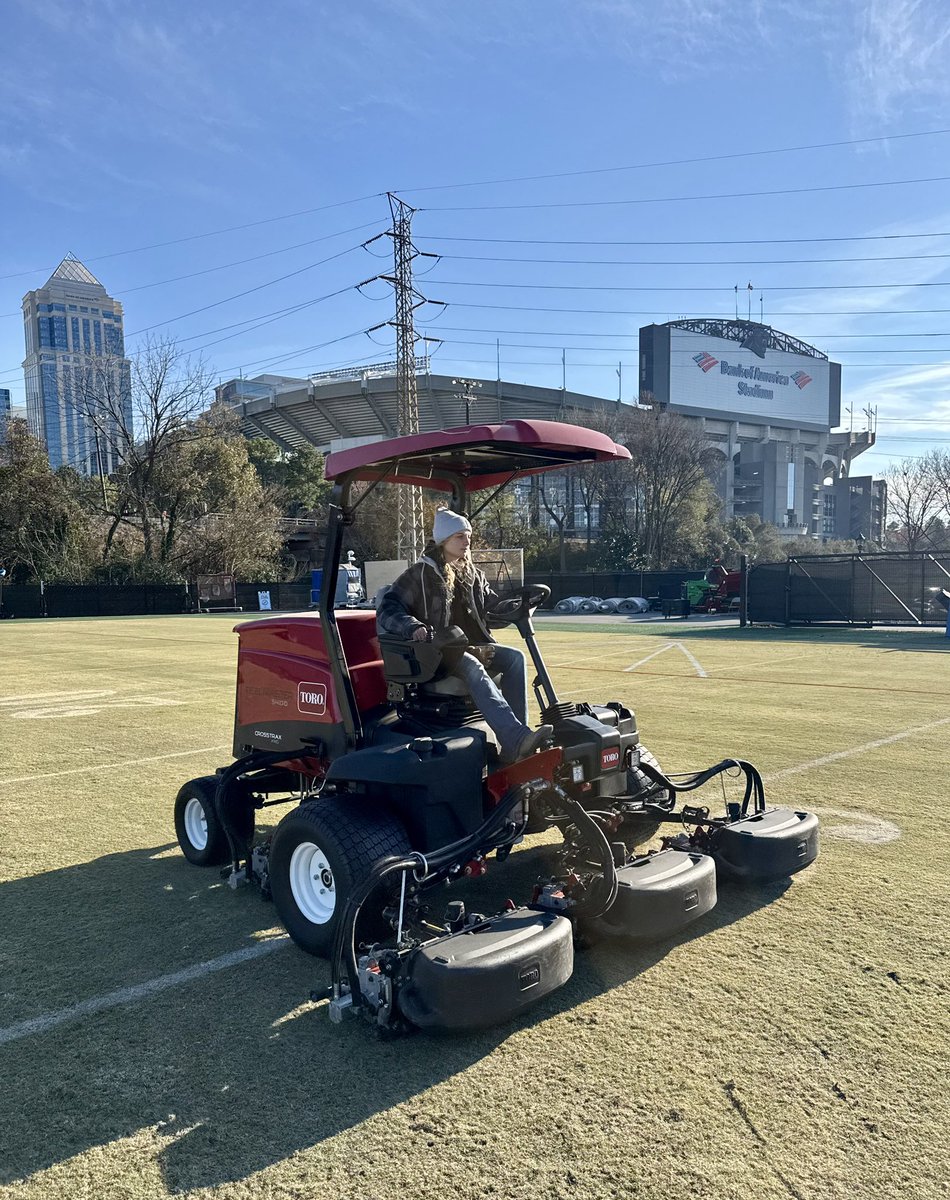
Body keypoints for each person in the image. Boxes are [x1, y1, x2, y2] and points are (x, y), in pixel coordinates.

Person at [377, 507, 553, 763]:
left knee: (515, 658)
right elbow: (388, 608)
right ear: (444, 541)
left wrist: (519, 606)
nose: (467, 541)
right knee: (471, 665)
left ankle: (513, 746)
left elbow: (493, 608)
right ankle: (516, 737)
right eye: (460, 536)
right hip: (435, 651)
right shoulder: (419, 576)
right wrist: (413, 626)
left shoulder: (473, 575)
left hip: (470, 646)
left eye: (468, 535)